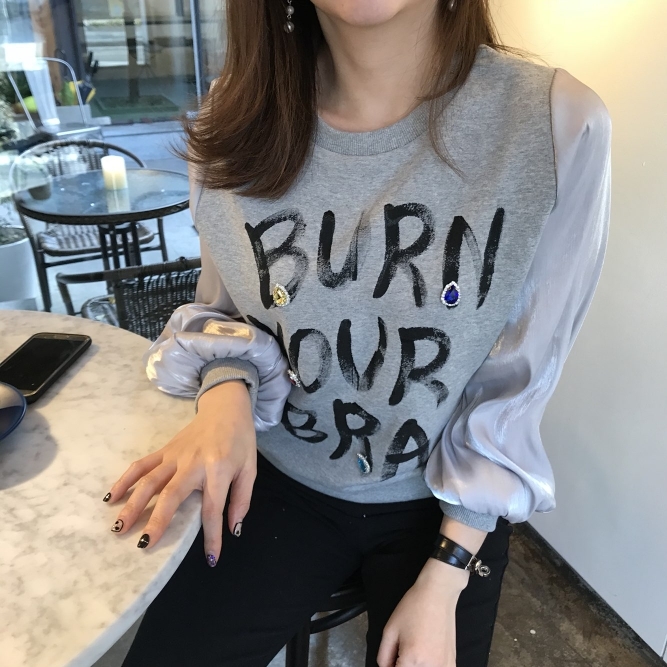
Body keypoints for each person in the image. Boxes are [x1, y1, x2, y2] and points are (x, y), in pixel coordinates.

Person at [105, 1, 611, 665]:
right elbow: (224, 309)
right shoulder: (237, 112)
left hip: (443, 502)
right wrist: (225, 387)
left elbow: (516, 379)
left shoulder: (555, 125)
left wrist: (447, 572)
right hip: (278, 475)